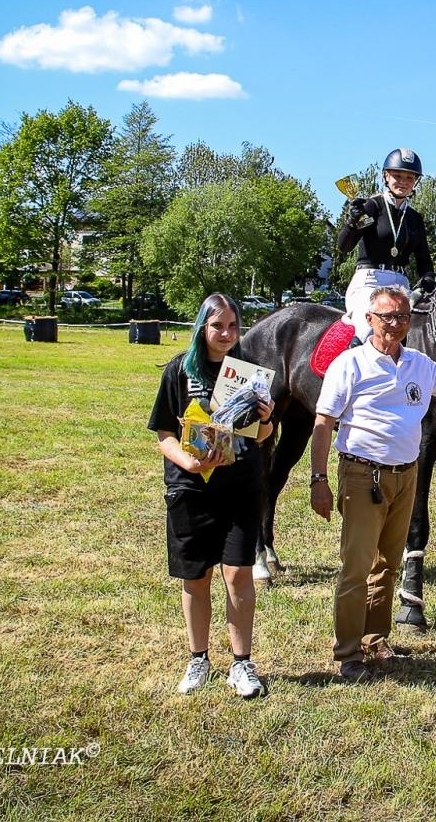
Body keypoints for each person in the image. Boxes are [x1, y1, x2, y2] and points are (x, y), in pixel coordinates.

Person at [308, 285, 436, 681]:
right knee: (356, 568)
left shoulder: (417, 362)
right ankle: (348, 653)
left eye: (401, 317)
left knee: (387, 565)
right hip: (363, 475)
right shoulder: (350, 364)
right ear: (370, 320)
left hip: (405, 475)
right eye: (386, 317)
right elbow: (324, 423)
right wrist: (318, 479)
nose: (394, 324)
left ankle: (376, 640)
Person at [148, 293, 274, 698]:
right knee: (196, 577)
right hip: (191, 488)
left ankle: (242, 664)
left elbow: (265, 436)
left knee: (237, 575)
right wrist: (187, 462)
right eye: (218, 325)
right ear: (202, 327)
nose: (226, 333)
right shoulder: (179, 372)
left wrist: (267, 419)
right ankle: (198, 658)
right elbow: (164, 434)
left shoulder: (250, 376)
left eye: (233, 326)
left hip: (241, 487)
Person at [335, 149, 435, 335]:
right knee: (368, 329)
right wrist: (352, 223)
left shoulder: (414, 218)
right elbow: (344, 246)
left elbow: (424, 260)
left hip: (401, 284)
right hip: (370, 281)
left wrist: (428, 276)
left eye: (409, 178)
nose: (403, 182)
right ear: (385, 176)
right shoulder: (372, 206)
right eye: (397, 175)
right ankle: (350, 361)